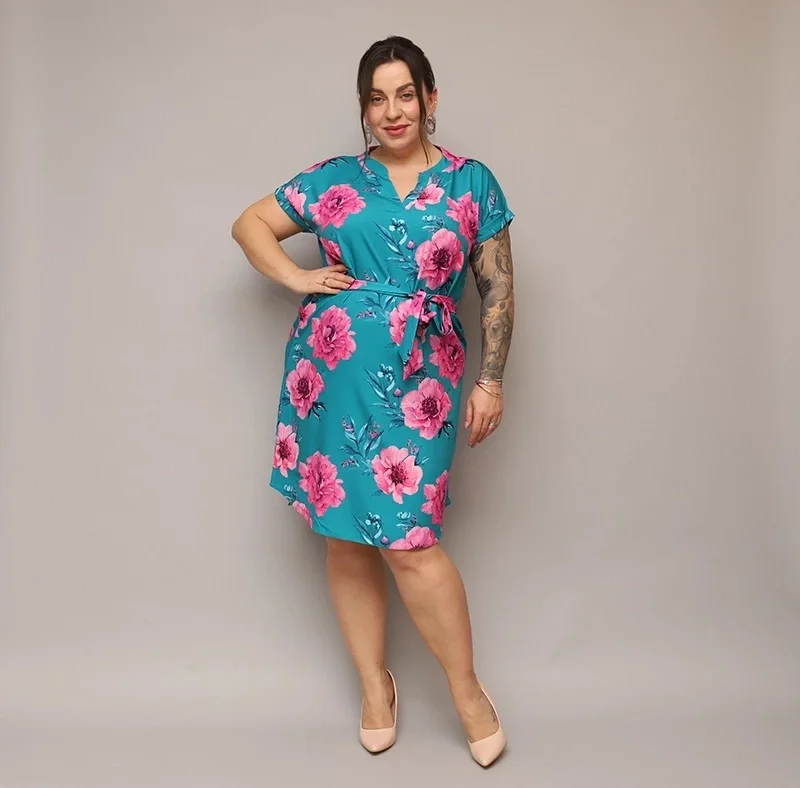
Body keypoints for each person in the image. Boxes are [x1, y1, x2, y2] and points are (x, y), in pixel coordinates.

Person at [231, 35, 515, 767]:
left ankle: (467, 691)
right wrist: (298, 279)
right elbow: (250, 225)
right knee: (345, 532)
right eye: (377, 98)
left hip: (423, 383)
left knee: (410, 541)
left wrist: (491, 380)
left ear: (430, 98)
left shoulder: (471, 184)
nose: (393, 111)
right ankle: (374, 685)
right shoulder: (335, 180)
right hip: (331, 375)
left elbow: (496, 288)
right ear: (364, 108)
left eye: (405, 94)